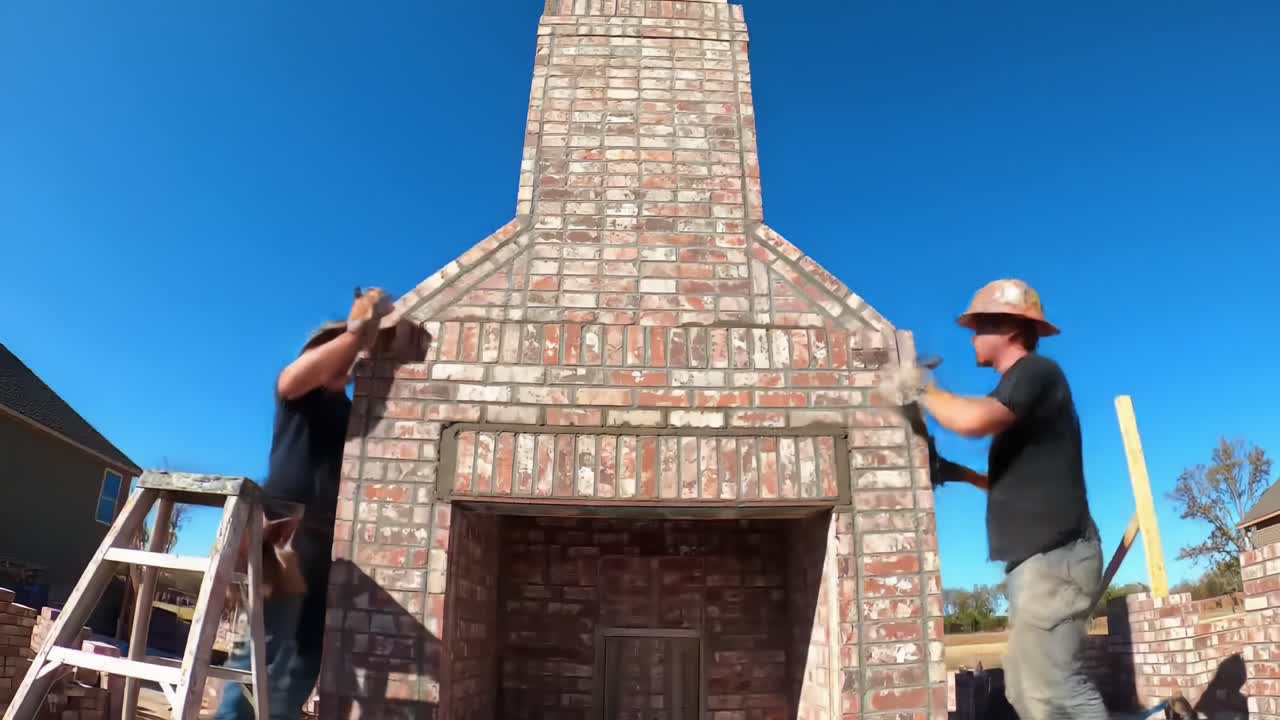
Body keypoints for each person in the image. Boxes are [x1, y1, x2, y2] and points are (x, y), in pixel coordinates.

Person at [888, 278, 1106, 720]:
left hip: (1056, 558)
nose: (972, 337)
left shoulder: (1037, 374)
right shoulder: (1019, 394)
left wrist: (920, 387)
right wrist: (959, 473)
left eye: (979, 326)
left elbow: (970, 420)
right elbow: (1010, 480)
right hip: (1040, 562)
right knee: (1029, 691)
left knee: (1057, 690)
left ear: (1009, 328)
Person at [216, 292, 389, 719]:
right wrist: (356, 331)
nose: (349, 363)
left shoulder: (349, 412)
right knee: (265, 646)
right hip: (283, 536)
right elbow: (296, 377)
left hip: (327, 543)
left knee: (308, 655)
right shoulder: (296, 393)